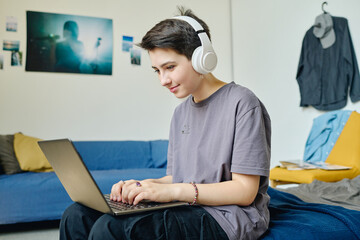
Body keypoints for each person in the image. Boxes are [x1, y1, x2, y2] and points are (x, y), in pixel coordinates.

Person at [60, 7, 271, 240]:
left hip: (227, 215)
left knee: (110, 227)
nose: (163, 80)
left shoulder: (242, 102)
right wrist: (143, 186)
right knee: (76, 214)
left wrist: (172, 191)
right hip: (187, 204)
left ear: (202, 59)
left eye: (170, 67)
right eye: (157, 71)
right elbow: (177, 177)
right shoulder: (181, 113)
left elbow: (245, 191)